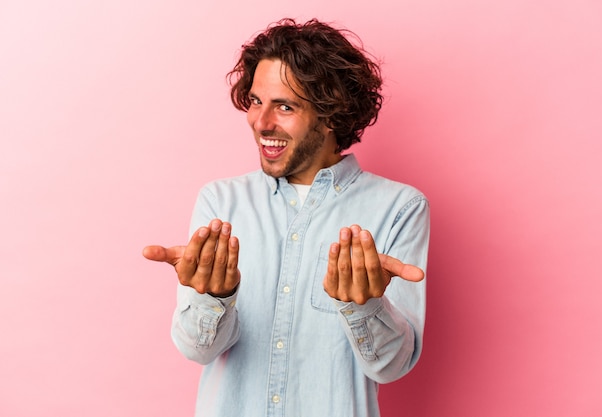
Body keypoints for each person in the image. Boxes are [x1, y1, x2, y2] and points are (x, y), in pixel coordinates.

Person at [143, 18, 430, 417]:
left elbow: (392, 367)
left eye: (284, 106)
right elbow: (197, 350)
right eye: (257, 101)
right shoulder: (221, 202)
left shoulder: (399, 208)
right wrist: (214, 297)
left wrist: (366, 306)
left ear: (332, 113)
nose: (260, 123)